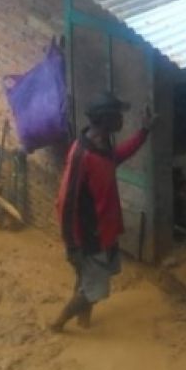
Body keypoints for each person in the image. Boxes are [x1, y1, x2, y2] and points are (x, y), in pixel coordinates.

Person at [49, 92, 153, 332]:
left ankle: (84, 321)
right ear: (105, 119)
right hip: (88, 237)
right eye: (118, 115)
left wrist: (144, 132)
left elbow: (115, 158)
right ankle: (58, 322)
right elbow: (66, 202)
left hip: (102, 229)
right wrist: (72, 243)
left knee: (88, 281)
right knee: (95, 287)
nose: (122, 120)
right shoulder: (81, 155)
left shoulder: (101, 144)